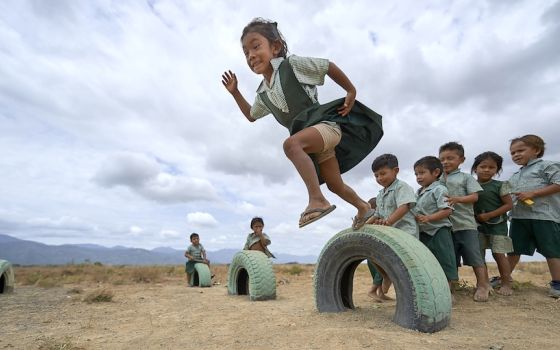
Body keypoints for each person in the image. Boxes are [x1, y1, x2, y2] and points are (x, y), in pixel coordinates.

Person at [222, 18, 383, 230]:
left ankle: (317, 200)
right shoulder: (263, 94)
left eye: (256, 46)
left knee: (291, 145)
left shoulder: (292, 65)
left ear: (276, 47)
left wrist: (351, 90)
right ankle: (364, 208)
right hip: (314, 144)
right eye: (245, 53)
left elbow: (326, 66)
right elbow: (251, 115)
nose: (250, 55)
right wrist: (235, 93)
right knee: (335, 184)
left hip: (326, 126)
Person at [507, 135, 560, 298]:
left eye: (520, 150)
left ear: (536, 150)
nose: (516, 155)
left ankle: (557, 283)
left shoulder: (547, 166)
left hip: (544, 216)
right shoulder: (515, 175)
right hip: (519, 217)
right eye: (512, 153)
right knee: (513, 249)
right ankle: (504, 278)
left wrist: (533, 193)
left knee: (552, 250)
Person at [439, 142, 491, 302]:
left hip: (466, 225)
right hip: (446, 227)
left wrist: (458, 199)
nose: (445, 162)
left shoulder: (466, 177)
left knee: (475, 257)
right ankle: (449, 288)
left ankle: (483, 286)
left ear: (461, 159)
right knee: (449, 258)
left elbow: (475, 197)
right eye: (442, 159)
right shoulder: (437, 178)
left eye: (450, 158)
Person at [366, 154, 419, 301]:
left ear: (395, 171)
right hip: (389, 234)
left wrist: (389, 221)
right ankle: (385, 275)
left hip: (404, 233)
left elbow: (405, 206)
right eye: (376, 175)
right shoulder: (380, 194)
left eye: (383, 173)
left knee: (404, 265)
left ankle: (410, 296)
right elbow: (377, 214)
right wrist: (365, 225)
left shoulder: (402, 187)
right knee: (373, 254)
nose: (380, 178)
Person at [412, 156, 458, 293]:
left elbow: (447, 210)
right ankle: (433, 292)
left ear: (436, 172)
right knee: (428, 262)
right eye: (416, 174)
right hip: (424, 232)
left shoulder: (439, 189)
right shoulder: (418, 192)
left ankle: (448, 292)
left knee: (444, 259)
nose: (418, 177)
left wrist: (429, 218)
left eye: (422, 173)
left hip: (439, 230)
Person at [471, 152, 514, 296]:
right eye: (483, 166)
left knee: (499, 254)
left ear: (497, 170)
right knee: (479, 255)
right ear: (475, 168)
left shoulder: (499, 185)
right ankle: (484, 283)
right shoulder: (470, 185)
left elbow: (509, 205)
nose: (487, 170)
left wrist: (489, 215)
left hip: (498, 225)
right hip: (477, 226)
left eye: (492, 167)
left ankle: (507, 283)